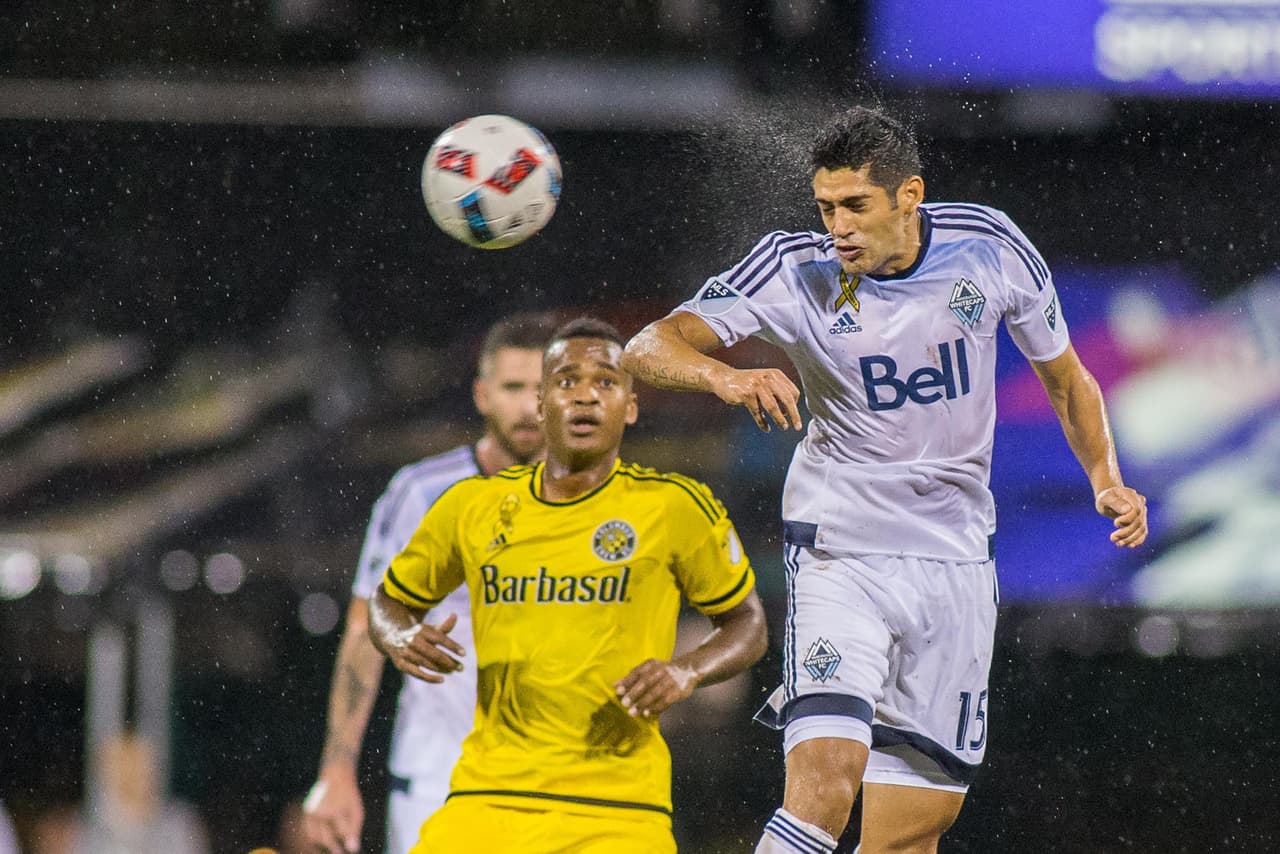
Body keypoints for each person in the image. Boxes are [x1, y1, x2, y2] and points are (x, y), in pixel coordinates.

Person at [621, 105, 1149, 854]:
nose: (838, 226)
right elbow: (647, 346)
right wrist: (720, 378)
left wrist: (1105, 478)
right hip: (844, 557)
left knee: (910, 833)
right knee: (824, 788)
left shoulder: (988, 247)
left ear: (909, 196)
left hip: (956, 563)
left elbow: (1065, 380)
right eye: (826, 207)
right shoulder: (790, 268)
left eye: (856, 206)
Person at [368, 317, 769, 854]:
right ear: (540, 404)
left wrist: (686, 669)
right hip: (489, 799)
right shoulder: (473, 506)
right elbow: (387, 600)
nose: (585, 397)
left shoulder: (673, 506)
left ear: (630, 405)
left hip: (620, 810)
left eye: (606, 381)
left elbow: (749, 624)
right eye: (565, 381)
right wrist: (398, 636)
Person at [302, 312, 559, 854]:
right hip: (440, 776)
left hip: (562, 785)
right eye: (513, 387)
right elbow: (363, 632)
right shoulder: (420, 493)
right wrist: (337, 769)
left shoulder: (601, 501)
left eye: (541, 388)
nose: (526, 405)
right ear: (483, 395)